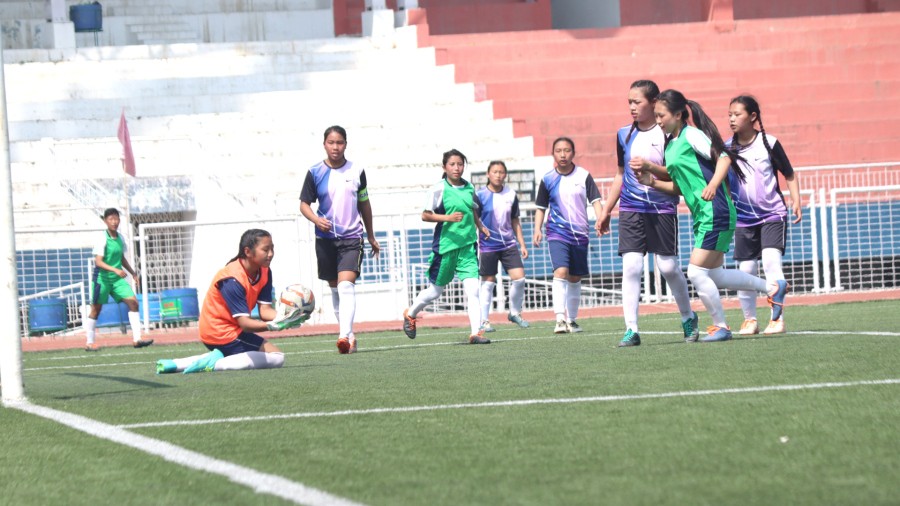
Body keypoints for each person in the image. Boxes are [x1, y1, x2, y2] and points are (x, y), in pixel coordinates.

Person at [631, 89, 789, 342]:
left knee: (695, 272)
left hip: (716, 211)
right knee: (714, 274)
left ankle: (721, 326)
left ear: (679, 114)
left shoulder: (692, 135)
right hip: (704, 214)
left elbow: (724, 157)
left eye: (662, 116)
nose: (658, 121)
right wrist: (652, 181)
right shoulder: (671, 144)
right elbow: (680, 186)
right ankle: (772, 288)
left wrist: (714, 184)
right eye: (657, 116)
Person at [597, 80, 699, 347]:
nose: (632, 107)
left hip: (663, 207)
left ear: (653, 103)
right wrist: (607, 210)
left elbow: (674, 172)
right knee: (631, 267)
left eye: (637, 101)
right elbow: (620, 174)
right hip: (631, 209)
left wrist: (650, 168)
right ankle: (631, 329)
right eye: (629, 102)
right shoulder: (623, 134)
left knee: (667, 267)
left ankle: (688, 317)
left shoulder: (668, 134)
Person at [155, 229, 305, 374]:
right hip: (218, 332)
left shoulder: (264, 270)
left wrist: (288, 317)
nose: (271, 254)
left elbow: (264, 311)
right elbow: (245, 324)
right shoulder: (232, 279)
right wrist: (274, 326)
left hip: (232, 329)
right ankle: (215, 364)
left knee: (273, 357)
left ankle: (176, 364)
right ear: (247, 251)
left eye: (272, 249)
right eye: (265, 250)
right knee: (277, 358)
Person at [300, 126, 380, 354]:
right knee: (335, 289)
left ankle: (343, 335)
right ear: (324, 144)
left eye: (340, 143)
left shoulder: (357, 170)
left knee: (346, 286)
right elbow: (304, 204)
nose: (336, 147)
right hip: (325, 239)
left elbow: (364, 202)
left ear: (346, 144)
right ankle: (350, 335)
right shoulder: (315, 172)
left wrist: (371, 235)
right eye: (331, 142)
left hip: (352, 238)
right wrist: (316, 220)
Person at [726, 95, 801, 335]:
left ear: (753, 117)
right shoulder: (728, 149)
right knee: (746, 270)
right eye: (730, 115)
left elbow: (789, 175)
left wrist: (796, 200)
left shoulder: (769, 143)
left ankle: (777, 319)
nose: (732, 119)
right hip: (743, 220)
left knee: (770, 262)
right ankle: (750, 320)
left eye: (737, 114)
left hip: (772, 215)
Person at [402, 149, 492, 345]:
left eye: (460, 164)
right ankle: (410, 314)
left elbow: (472, 211)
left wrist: (481, 226)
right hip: (445, 248)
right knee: (435, 291)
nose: (457, 168)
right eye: (452, 164)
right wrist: (447, 218)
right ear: (445, 167)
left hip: (467, 248)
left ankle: (476, 333)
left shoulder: (469, 188)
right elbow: (425, 215)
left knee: (473, 290)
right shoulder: (439, 189)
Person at [533, 137, 604, 334]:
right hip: (557, 232)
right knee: (561, 272)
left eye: (566, 150)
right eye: (558, 151)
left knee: (574, 277)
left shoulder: (584, 176)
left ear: (573, 153)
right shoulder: (547, 179)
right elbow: (541, 207)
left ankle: (572, 320)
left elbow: (596, 201)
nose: (562, 155)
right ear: (553, 154)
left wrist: (601, 220)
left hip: (580, 234)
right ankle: (559, 319)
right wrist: (537, 229)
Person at [84, 208, 153, 351]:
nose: (114, 222)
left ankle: (137, 339)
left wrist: (133, 272)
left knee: (133, 303)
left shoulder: (120, 238)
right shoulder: (102, 238)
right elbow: (98, 262)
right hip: (101, 279)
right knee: (96, 309)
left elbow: (121, 258)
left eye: (116, 219)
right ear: (105, 221)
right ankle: (89, 342)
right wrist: (115, 269)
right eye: (111, 219)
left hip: (117, 280)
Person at [476, 160, 530, 332]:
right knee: (488, 282)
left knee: (519, 278)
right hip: (488, 246)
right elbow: (473, 218)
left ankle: (514, 313)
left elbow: (515, 220)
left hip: (508, 244)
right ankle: (484, 320)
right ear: (488, 174)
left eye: (501, 172)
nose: (498, 175)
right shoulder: (480, 195)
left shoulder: (511, 194)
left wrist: (522, 244)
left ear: (505, 174)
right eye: (495, 172)